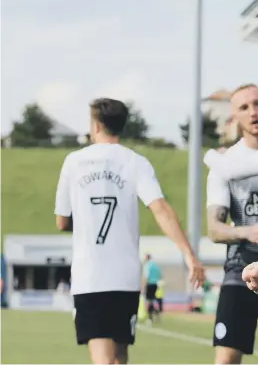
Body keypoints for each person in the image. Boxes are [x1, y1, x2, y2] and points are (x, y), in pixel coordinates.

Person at [55, 97, 205, 365]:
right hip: (124, 276)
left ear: (96, 125)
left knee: (102, 359)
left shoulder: (74, 161)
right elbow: (161, 209)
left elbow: (62, 222)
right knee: (120, 358)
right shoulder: (135, 162)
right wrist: (188, 254)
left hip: (91, 275)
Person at [205, 84, 258, 365]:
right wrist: (248, 231)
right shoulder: (225, 163)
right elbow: (214, 228)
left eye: (257, 104)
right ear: (234, 117)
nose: (253, 112)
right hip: (240, 271)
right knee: (225, 360)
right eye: (244, 107)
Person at [142, 254, 161, 323]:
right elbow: (160, 276)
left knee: (148, 301)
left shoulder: (147, 265)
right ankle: (156, 312)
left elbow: (146, 276)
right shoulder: (155, 266)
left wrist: (143, 286)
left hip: (149, 284)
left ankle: (150, 318)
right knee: (152, 300)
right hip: (155, 284)